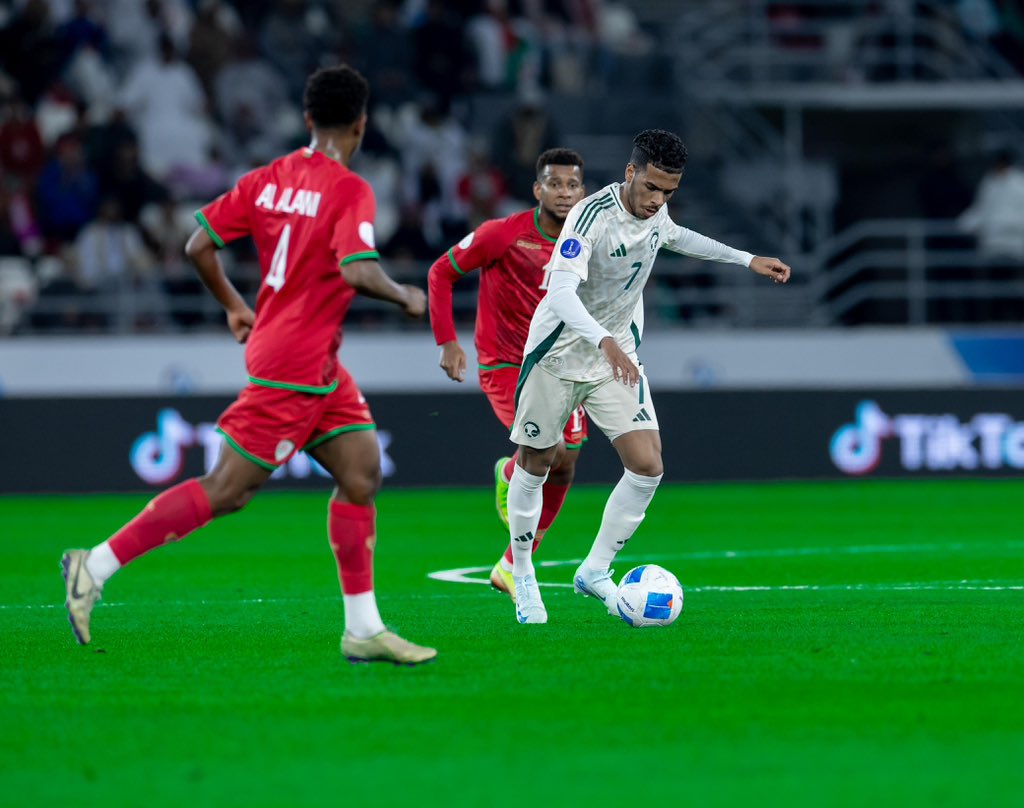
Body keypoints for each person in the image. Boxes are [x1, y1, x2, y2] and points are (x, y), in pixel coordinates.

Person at [61, 65, 437, 666]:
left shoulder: (267, 179)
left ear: (308, 119)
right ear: (362, 125)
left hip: (311, 360)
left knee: (361, 470)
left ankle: (364, 629)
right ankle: (95, 564)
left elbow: (197, 244)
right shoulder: (349, 190)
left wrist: (235, 306)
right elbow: (358, 271)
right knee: (228, 491)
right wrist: (407, 296)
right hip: (293, 364)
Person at [506, 129, 791, 624]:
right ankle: (524, 572)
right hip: (559, 355)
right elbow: (560, 294)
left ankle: (594, 570)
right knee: (537, 461)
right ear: (630, 172)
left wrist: (747, 260)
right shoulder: (589, 215)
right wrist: (605, 340)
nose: (658, 200)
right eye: (652, 187)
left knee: (647, 465)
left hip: (613, 357)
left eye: (669, 192)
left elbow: (678, 237)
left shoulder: (657, 213)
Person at [428, 148, 587, 600]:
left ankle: (511, 564)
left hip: (565, 365)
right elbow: (440, 273)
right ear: (538, 189)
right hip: (507, 364)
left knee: (565, 465)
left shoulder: (588, 242)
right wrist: (447, 341)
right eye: (554, 184)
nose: (563, 192)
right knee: (550, 448)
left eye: (572, 185)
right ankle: (511, 475)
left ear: (583, 192)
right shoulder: (502, 234)